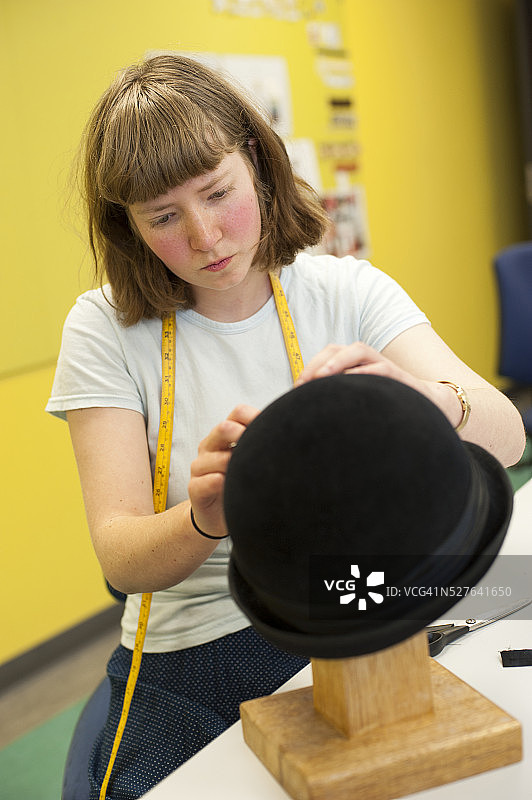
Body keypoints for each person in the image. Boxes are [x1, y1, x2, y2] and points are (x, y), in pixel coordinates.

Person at [47, 53, 525, 800]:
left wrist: (426, 399)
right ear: (128, 226)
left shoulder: (347, 288)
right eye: (163, 217)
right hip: (198, 641)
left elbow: (508, 437)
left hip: (359, 594)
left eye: (218, 193)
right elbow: (122, 560)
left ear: (260, 168)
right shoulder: (105, 329)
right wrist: (204, 518)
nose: (205, 237)